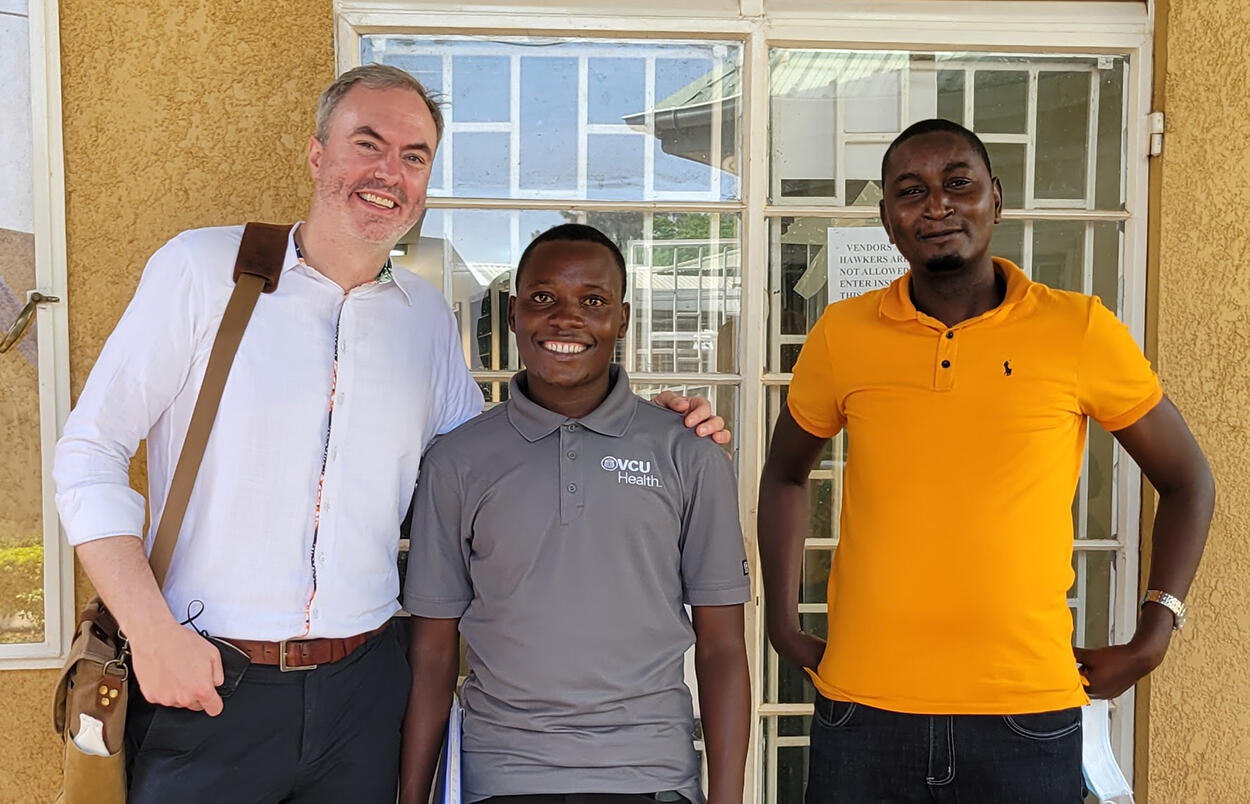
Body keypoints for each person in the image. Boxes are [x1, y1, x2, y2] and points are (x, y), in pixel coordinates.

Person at [53, 66, 727, 804]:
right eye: (367, 144)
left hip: (366, 697)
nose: (390, 173)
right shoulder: (204, 270)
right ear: (317, 154)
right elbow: (90, 453)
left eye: (413, 156)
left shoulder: (424, 319)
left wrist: (649, 428)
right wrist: (150, 635)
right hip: (206, 683)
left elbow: (498, 463)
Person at [757, 118, 1214, 802]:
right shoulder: (841, 336)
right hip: (865, 710)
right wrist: (782, 620)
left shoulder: (1078, 329)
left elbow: (1187, 480)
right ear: (886, 220)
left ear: (995, 199)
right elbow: (785, 474)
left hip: (1026, 711)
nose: (936, 205)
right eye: (910, 191)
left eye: (957, 183)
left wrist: (1155, 632)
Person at [398, 224, 751, 804]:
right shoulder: (457, 461)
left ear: (623, 319)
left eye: (593, 301)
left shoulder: (687, 452)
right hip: (502, 776)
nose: (566, 319)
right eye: (543, 299)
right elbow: (432, 651)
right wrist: (413, 795)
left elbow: (722, 648)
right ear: (513, 314)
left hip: (651, 776)